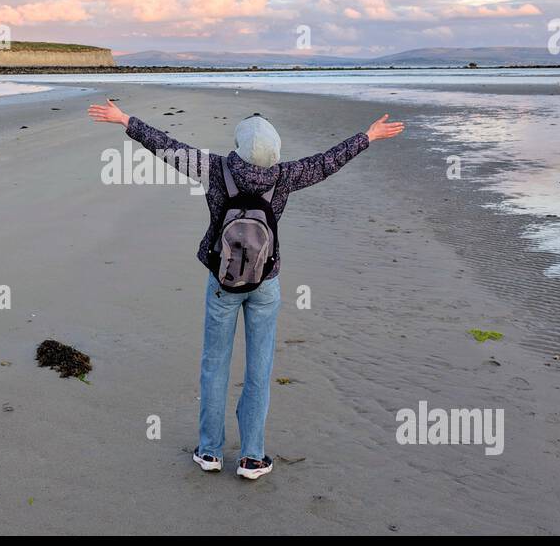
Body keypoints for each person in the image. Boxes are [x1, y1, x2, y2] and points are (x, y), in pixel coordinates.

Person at [88, 99, 405, 479]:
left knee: (214, 365)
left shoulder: (216, 168)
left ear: (239, 144)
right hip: (265, 281)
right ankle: (253, 457)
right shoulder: (287, 175)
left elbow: (166, 146)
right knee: (259, 369)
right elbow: (326, 162)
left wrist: (125, 120)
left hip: (222, 281)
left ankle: (209, 452)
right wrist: (367, 136)